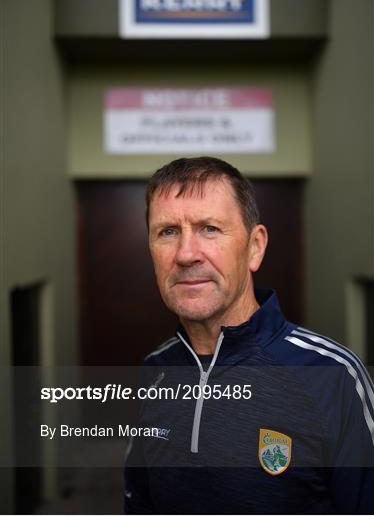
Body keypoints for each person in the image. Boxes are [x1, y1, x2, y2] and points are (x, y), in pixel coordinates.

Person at [124, 157, 373, 514]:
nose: (186, 254)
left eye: (209, 228)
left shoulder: (334, 376)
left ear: (255, 246)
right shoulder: (154, 371)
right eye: (168, 231)